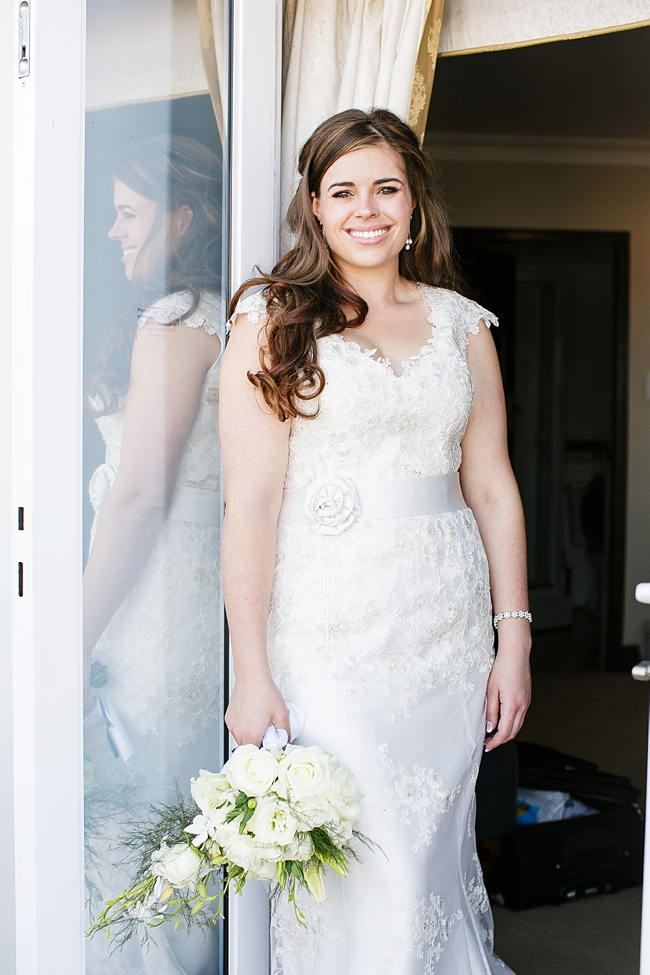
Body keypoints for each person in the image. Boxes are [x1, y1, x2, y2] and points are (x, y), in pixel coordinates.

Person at [220, 108, 531, 974]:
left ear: (414, 203)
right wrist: (250, 670)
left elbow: (495, 485)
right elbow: (247, 506)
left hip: (446, 632)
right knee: (361, 859)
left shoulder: (464, 326)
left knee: (428, 857)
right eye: (344, 190)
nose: (368, 209)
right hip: (329, 632)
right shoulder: (274, 322)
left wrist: (516, 637)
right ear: (313, 207)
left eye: (386, 188)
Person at [83, 134, 225, 974]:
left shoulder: (175, 323)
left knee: (142, 818)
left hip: (153, 597)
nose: (113, 233)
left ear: (181, 219)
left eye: (127, 214)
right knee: (172, 816)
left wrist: (72, 634)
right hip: (182, 591)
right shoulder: (217, 311)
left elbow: (139, 497)